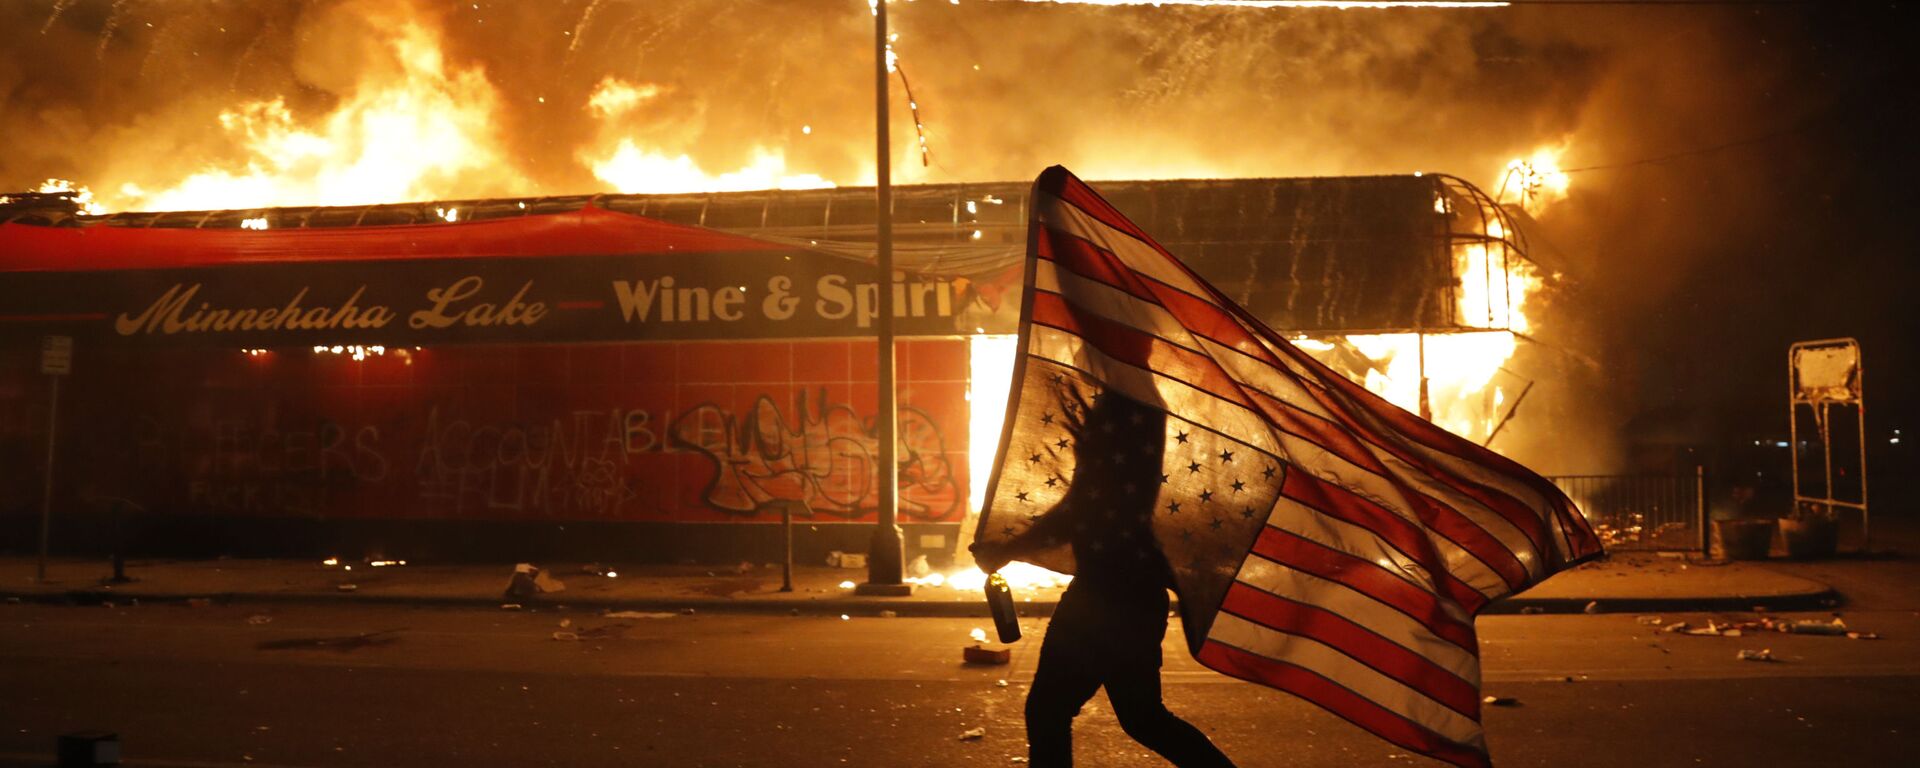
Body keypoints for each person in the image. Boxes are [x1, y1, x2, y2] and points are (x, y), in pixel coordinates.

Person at [972, 391, 1237, 768]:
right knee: (1142, 717)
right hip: (1132, 591)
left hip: (1105, 595)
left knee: (1049, 710)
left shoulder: (1125, 405)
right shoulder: (1135, 402)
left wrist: (1008, 549)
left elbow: (1083, 507)